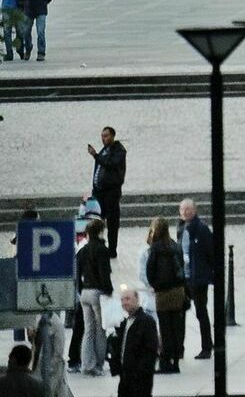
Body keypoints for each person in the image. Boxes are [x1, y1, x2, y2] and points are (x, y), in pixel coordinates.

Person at [144, 218, 185, 372]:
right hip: (177, 291)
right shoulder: (175, 245)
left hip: (162, 292)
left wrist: (155, 285)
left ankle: (165, 361)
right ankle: (176, 360)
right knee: (176, 327)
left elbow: (150, 271)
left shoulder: (155, 248)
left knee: (165, 328)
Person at [176, 201, 214, 360]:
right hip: (183, 278)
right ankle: (179, 348)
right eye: (183, 209)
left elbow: (211, 253)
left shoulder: (202, 230)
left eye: (188, 209)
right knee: (180, 313)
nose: (185, 212)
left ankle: (207, 347)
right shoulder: (180, 228)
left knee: (201, 312)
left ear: (195, 210)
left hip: (198, 278)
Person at [76, 218, 113, 377]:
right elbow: (104, 273)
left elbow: (77, 274)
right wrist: (109, 290)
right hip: (98, 292)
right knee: (100, 330)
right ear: (100, 231)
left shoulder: (82, 250)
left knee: (88, 330)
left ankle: (86, 364)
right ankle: (98, 364)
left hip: (85, 292)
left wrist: (80, 290)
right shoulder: (102, 250)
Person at [107, 289, 158, 397]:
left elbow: (151, 350)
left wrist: (140, 372)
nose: (124, 303)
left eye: (128, 299)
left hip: (140, 379)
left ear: (137, 300)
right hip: (125, 377)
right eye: (122, 300)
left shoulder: (146, 321)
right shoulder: (125, 323)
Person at [89, 128, 127, 259]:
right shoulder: (103, 151)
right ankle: (97, 247)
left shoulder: (118, 151)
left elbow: (111, 164)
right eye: (102, 136)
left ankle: (112, 250)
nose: (103, 138)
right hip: (99, 192)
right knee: (97, 222)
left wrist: (95, 156)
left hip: (111, 192)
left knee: (112, 223)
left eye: (106, 136)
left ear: (113, 136)